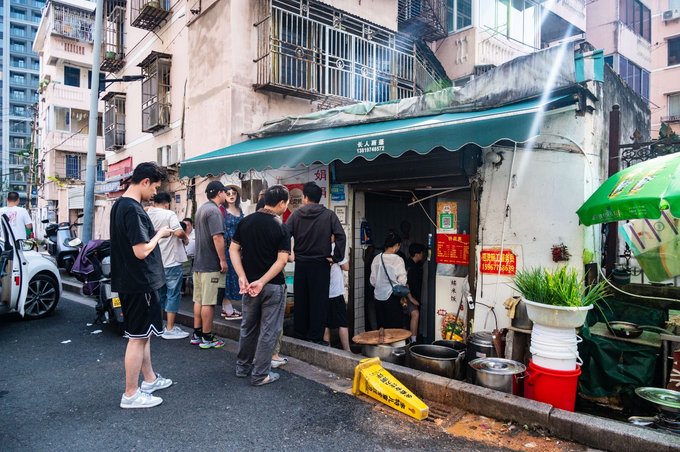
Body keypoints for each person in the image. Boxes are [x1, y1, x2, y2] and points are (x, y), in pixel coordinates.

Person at [110, 162, 174, 409]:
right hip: (140, 282)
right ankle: (130, 394)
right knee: (137, 338)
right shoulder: (133, 209)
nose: (155, 193)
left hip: (131, 281)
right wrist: (160, 234)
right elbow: (141, 251)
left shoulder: (120, 205)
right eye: (155, 187)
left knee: (142, 335)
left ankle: (149, 379)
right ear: (145, 181)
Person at [230, 185, 291, 386]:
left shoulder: (246, 221)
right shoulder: (281, 227)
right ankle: (260, 375)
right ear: (281, 203)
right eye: (286, 203)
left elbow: (233, 249)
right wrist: (263, 281)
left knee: (248, 327)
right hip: (272, 286)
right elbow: (282, 261)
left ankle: (242, 368)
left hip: (248, 285)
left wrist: (242, 276)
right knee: (268, 331)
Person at [286, 182, 346, 344]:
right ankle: (315, 338)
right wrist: (336, 258)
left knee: (301, 301)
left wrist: (288, 254)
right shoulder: (329, 215)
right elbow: (341, 236)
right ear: (319, 198)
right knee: (319, 302)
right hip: (321, 265)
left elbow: (284, 233)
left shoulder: (296, 215)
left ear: (305, 197)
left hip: (301, 264)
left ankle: (300, 335)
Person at [147, 192, 190, 340]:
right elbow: (178, 232)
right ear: (167, 203)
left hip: (155, 262)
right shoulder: (169, 214)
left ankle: (158, 326)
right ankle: (170, 329)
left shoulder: (148, 214)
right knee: (173, 294)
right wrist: (185, 238)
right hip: (171, 261)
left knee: (160, 296)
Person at [191, 180, 228, 349]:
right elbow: (217, 237)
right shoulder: (214, 211)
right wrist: (222, 260)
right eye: (225, 192)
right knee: (209, 302)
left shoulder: (202, 209)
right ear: (220, 193)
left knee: (199, 300)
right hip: (210, 264)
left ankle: (197, 334)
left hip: (199, 263)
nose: (226, 195)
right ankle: (207, 337)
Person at [370, 231, 408, 329]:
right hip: (392, 298)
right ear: (396, 245)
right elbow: (402, 281)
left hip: (378, 298)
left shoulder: (377, 258)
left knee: (381, 328)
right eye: (399, 246)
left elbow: (372, 281)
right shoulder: (397, 260)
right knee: (394, 329)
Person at [323, 235, 350, 351]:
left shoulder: (318, 247)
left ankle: (327, 351)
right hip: (336, 291)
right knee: (342, 323)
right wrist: (336, 261)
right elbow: (346, 267)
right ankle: (347, 351)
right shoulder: (335, 248)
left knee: (325, 324)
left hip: (323, 292)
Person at [220, 185, 244, 320]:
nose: (231, 195)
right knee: (227, 277)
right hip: (227, 248)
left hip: (239, 248)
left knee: (236, 276)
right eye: (228, 193)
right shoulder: (222, 210)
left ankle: (227, 307)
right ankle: (227, 307)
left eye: (233, 193)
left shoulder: (240, 210)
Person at [405, 243, 425, 343]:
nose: (423, 255)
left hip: (413, 296)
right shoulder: (409, 266)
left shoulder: (415, 265)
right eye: (421, 253)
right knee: (415, 314)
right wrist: (411, 298)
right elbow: (405, 283)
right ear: (417, 254)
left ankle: (411, 339)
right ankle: (413, 341)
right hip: (408, 296)